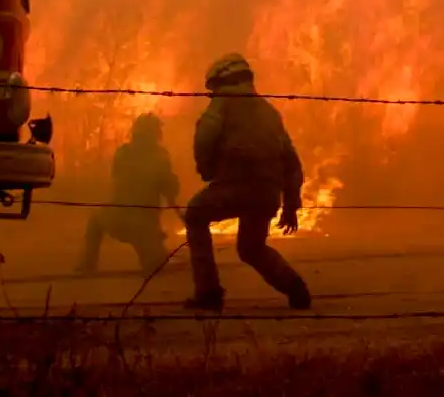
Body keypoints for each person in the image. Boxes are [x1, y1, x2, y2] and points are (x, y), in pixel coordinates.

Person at [182, 53, 311, 312]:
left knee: (195, 215)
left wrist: (206, 170)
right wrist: (290, 203)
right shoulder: (269, 111)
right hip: (267, 192)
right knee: (251, 248)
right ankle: (295, 287)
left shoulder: (223, 103)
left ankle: (208, 293)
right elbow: (291, 161)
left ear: (221, 81)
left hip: (234, 186)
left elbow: (204, 139)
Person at [75, 112, 179, 277]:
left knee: (95, 221)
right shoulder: (160, 156)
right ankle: (157, 254)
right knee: (158, 268)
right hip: (143, 225)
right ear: (156, 134)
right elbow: (170, 190)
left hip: (117, 218)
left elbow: (116, 181)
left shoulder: (123, 152)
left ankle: (88, 264)